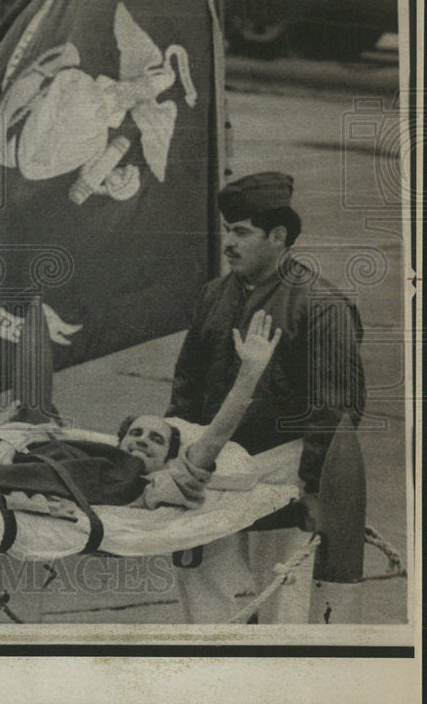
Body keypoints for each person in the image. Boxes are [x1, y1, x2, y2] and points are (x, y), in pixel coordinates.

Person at [165, 171, 365, 622]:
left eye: (242, 232)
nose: (229, 243)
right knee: (205, 595)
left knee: (282, 601)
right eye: (228, 231)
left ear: (278, 236)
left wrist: (315, 490)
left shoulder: (321, 306)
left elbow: (333, 410)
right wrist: (175, 455)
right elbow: (186, 388)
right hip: (212, 469)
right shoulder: (214, 295)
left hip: (283, 474)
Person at [119, 310, 282, 509]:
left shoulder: (164, 487)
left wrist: (249, 373)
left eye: (156, 439)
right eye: (135, 433)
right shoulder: (95, 463)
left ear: (168, 462)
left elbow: (214, 438)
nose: (142, 440)